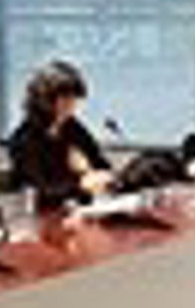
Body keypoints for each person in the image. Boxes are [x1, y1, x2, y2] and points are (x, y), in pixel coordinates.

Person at [6, 60, 114, 210]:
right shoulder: (24, 140)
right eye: (65, 98)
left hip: (78, 210)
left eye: (74, 98)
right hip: (38, 215)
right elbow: (44, 188)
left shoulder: (72, 128)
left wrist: (99, 174)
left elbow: (100, 163)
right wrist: (81, 184)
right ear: (45, 100)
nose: (71, 105)